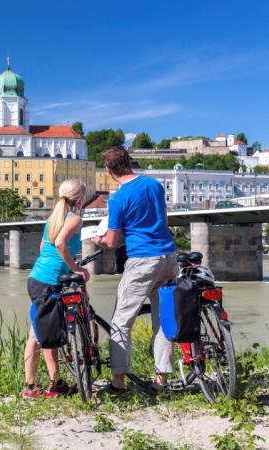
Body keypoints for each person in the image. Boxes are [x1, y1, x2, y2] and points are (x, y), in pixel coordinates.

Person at [91, 146, 177, 392]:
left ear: (109, 171)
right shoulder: (154, 185)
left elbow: (113, 241)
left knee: (121, 322)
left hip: (142, 260)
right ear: (129, 162)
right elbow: (162, 217)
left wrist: (98, 240)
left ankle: (118, 383)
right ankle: (160, 382)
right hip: (169, 257)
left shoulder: (118, 198)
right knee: (162, 321)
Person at [22, 179, 90, 399]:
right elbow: (60, 243)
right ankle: (30, 388)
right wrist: (75, 268)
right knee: (36, 335)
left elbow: (44, 247)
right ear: (80, 199)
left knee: (46, 332)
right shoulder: (75, 219)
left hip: (38, 278)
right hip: (48, 282)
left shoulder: (53, 218)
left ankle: (56, 382)